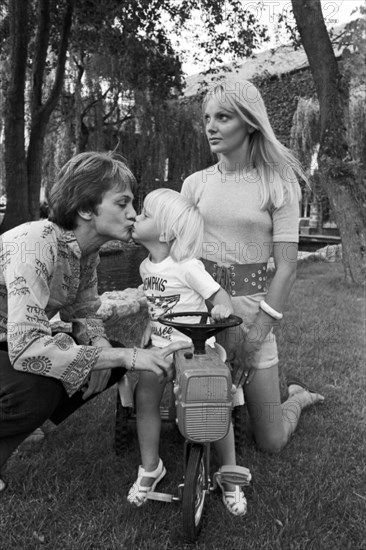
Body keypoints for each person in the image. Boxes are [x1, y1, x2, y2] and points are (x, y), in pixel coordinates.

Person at [0, 152, 188, 494]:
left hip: (8, 345)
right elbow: (27, 348)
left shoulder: (86, 252)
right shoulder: (35, 242)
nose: (133, 214)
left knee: (105, 357)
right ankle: (18, 421)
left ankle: (22, 421)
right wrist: (129, 357)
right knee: (36, 385)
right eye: (123, 203)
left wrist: (101, 349)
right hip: (14, 345)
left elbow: (85, 311)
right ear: (87, 209)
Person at [181, 78, 324, 454]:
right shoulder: (195, 185)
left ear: (249, 123)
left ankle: (297, 397)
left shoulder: (278, 184)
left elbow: (287, 268)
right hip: (204, 313)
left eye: (223, 117)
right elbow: (183, 256)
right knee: (197, 414)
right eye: (207, 117)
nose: (211, 126)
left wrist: (256, 335)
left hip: (252, 313)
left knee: (272, 442)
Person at [127, 188, 248, 516]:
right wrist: (151, 329)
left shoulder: (186, 265)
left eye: (145, 214)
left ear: (166, 232)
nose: (135, 217)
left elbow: (220, 296)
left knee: (214, 404)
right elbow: (157, 307)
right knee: (145, 397)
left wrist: (221, 311)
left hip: (195, 348)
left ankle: (229, 474)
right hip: (162, 350)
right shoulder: (145, 268)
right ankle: (151, 467)